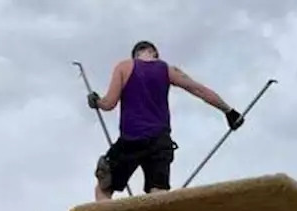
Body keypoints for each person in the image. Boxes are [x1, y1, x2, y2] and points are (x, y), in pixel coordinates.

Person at [87, 40, 244, 201]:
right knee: (158, 194)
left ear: (135, 55)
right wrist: (229, 111)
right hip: (159, 141)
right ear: (154, 53)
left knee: (104, 188)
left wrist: (96, 101)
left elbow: (109, 104)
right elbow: (199, 90)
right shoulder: (167, 69)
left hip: (131, 140)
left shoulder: (124, 67)